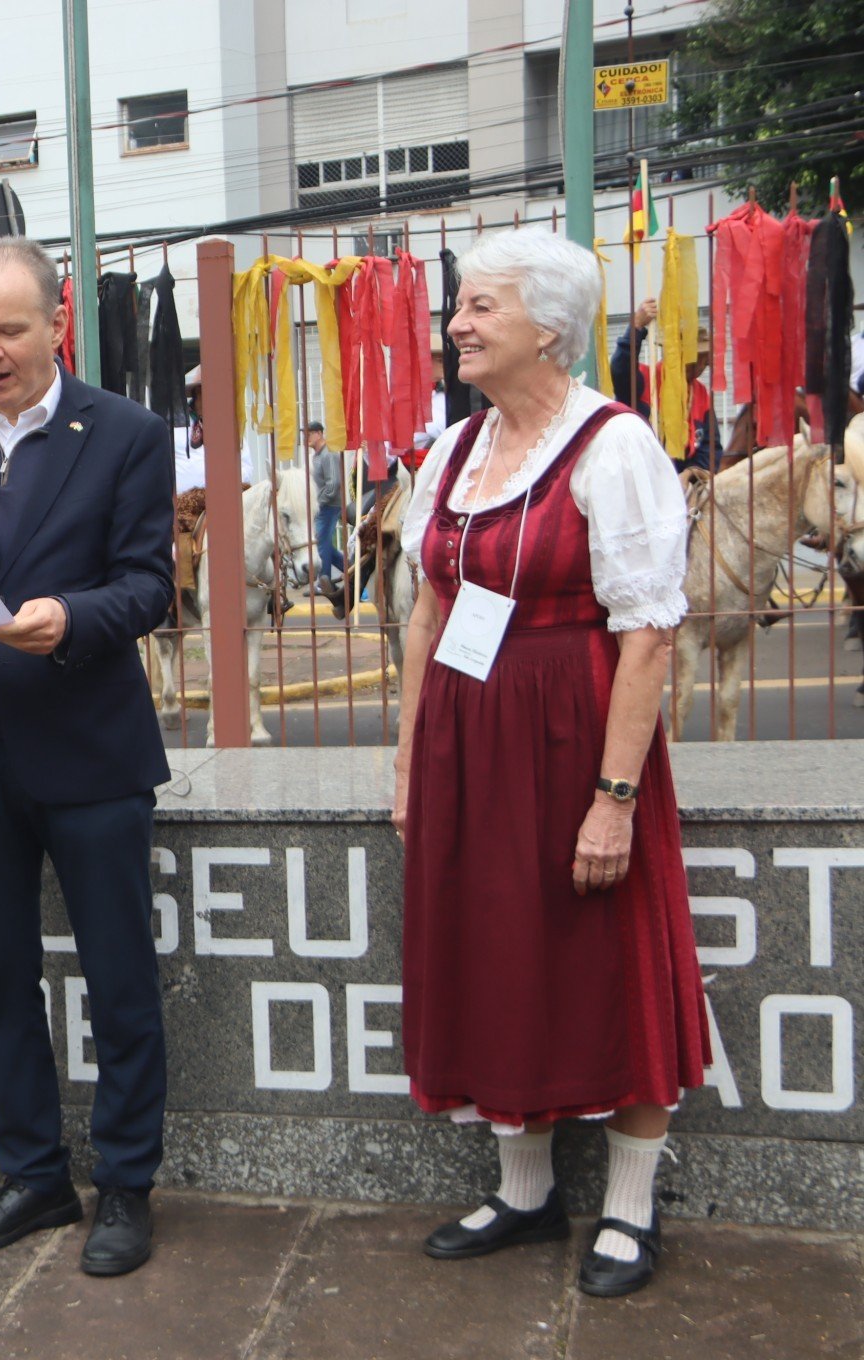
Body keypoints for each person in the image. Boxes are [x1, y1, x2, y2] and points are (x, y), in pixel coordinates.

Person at [393, 230, 709, 1299]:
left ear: (551, 328)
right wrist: (406, 765)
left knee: (609, 958)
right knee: (488, 948)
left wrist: (613, 801)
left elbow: (649, 635)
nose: (458, 325)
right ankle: (524, 1191)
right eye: (460, 306)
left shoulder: (613, 447)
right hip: (467, 745)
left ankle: (628, 1205)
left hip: (577, 740)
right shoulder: (454, 452)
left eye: (482, 307)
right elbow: (428, 614)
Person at [0, 236, 173, 1277]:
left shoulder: (129, 435)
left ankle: (127, 1186)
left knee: (119, 978)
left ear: (59, 323)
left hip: (91, 752)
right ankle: (34, 1177)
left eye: (8, 328)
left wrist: (71, 617)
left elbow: (150, 586)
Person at [609, 296, 717, 472]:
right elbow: (620, 370)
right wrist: (636, 327)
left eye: (705, 358)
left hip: (683, 487)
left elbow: (711, 450)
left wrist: (691, 473)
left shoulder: (701, 395)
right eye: (700, 358)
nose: (705, 365)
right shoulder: (645, 379)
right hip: (638, 477)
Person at [305, 421, 344, 592]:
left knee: (321, 542)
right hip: (322, 506)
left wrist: (317, 502)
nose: (306, 437)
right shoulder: (317, 456)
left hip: (329, 506)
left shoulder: (328, 454)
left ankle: (323, 582)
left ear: (319, 434)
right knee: (326, 545)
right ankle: (356, 572)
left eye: (309, 433)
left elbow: (334, 484)